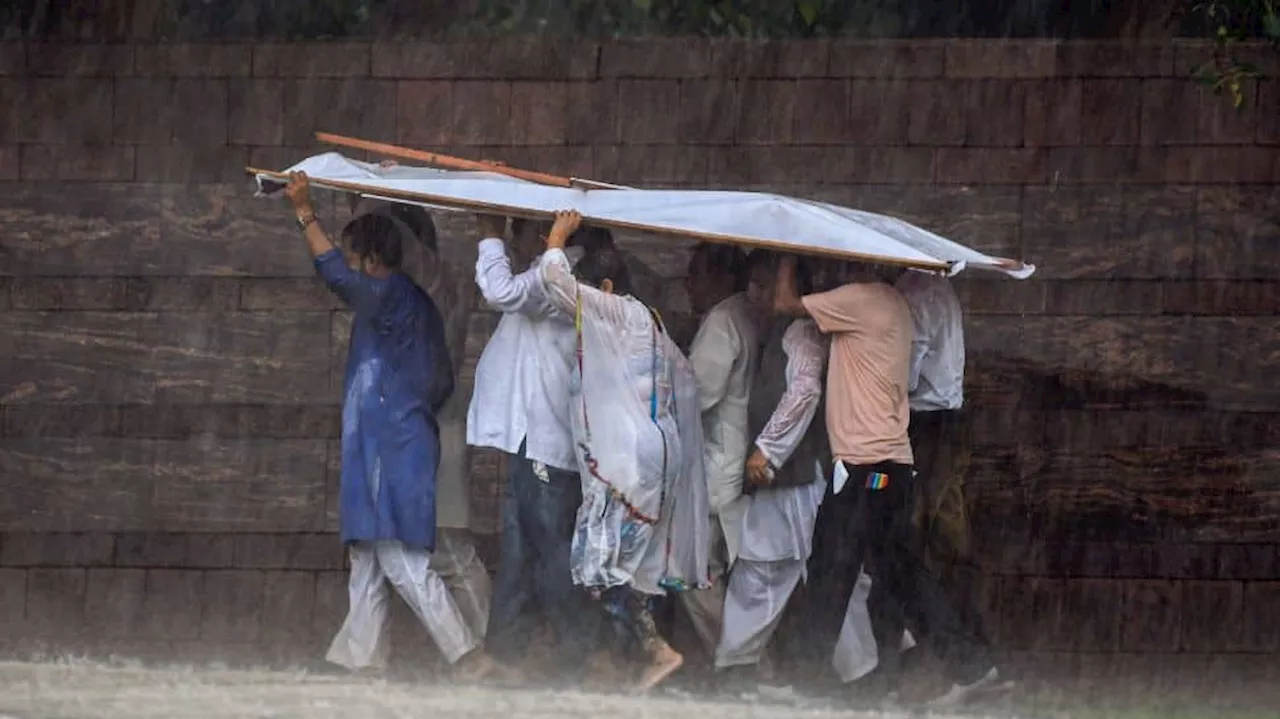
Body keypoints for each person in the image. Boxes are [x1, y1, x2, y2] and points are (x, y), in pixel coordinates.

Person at [282, 171, 496, 678]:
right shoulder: (406, 305)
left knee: (401, 558)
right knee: (368, 558)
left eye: (357, 259)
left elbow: (333, 272)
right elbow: (439, 380)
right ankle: (359, 660)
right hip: (389, 443)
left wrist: (304, 210)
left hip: (389, 448)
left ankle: (467, 655)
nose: (353, 270)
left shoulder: (392, 294)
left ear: (374, 262)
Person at [772, 255, 999, 706]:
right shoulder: (893, 301)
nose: (832, 273)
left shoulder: (858, 300)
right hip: (893, 468)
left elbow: (783, 302)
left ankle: (809, 680)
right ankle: (970, 665)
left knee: (831, 568)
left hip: (863, 469)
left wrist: (788, 251)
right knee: (900, 572)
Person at [537, 210, 711, 692]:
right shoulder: (650, 324)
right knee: (630, 566)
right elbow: (687, 384)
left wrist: (557, 235)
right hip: (655, 454)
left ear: (607, 286)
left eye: (590, 293)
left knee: (596, 563)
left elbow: (554, 279)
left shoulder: (618, 311)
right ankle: (633, 657)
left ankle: (654, 650)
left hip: (628, 462)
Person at [467, 214, 604, 682]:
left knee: (548, 549)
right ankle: (505, 650)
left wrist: (488, 234)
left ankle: (585, 650)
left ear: (547, 237)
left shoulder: (561, 275)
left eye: (518, 230)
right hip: (531, 436)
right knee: (523, 547)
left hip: (546, 439)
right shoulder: (551, 274)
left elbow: (500, 291)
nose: (512, 240)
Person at [714, 251, 829, 684]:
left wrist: (767, 450)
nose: (753, 294)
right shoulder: (778, 331)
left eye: (765, 285)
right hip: (781, 481)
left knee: (832, 576)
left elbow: (803, 392)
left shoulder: (801, 332)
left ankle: (864, 674)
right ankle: (735, 667)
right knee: (761, 570)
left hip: (802, 478)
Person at [680, 243, 758, 659]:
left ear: (723, 277)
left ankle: (732, 660)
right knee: (742, 574)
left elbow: (698, 393)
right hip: (738, 461)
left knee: (696, 573)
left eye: (696, 273)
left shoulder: (723, 321)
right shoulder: (749, 312)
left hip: (716, 466)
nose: (688, 284)